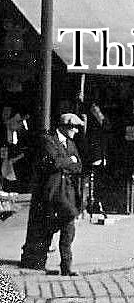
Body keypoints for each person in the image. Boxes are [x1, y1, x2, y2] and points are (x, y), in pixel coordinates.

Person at [19, 113, 86, 276]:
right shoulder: (48, 140)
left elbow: (79, 166)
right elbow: (54, 162)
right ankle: (38, 259)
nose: (76, 131)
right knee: (65, 219)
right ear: (64, 127)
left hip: (67, 191)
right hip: (51, 191)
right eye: (74, 128)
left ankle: (66, 265)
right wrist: (69, 161)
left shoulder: (70, 143)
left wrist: (67, 162)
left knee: (67, 224)